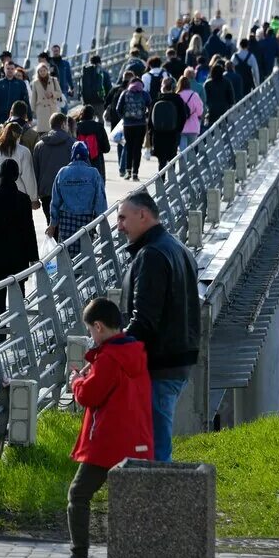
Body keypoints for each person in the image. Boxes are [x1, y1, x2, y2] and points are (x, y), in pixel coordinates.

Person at [47, 298, 153, 558]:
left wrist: (77, 382)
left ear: (99, 326)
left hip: (108, 442)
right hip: (136, 441)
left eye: (91, 331)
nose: (91, 337)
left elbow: (89, 396)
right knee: (129, 502)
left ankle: (79, 557)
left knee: (78, 494)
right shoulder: (135, 352)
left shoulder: (108, 358)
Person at [117, 192, 200, 463]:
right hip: (178, 358)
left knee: (153, 447)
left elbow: (144, 320)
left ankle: (160, 499)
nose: (119, 226)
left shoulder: (152, 254)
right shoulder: (178, 247)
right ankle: (157, 496)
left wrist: (110, 349)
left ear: (143, 215)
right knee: (155, 441)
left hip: (159, 364)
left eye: (123, 218)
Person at [0, 160, 39, 317]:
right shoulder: (23, 199)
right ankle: (19, 331)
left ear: (0, 174)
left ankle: (1, 336)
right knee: (18, 294)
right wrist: (33, 257)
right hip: (18, 256)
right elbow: (29, 230)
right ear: (16, 176)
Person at [49, 143, 107, 254]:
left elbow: (55, 201)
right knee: (85, 256)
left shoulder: (62, 172)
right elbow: (100, 200)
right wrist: (102, 220)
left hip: (66, 220)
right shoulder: (93, 173)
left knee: (66, 256)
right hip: (86, 220)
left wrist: (53, 224)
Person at [32, 113, 74, 223]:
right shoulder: (72, 144)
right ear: (63, 124)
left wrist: (35, 196)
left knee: (51, 226)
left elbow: (35, 172)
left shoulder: (39, 145)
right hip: (68, 191)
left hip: (46, 192)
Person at [0, 123, 38, 206]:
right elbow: (28, 176)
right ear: (19, 135)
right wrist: (33, 198)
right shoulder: (24, 151)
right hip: (19, 195)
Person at [147, 78, 187, 171]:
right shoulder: (178, 100)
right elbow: (183, 117)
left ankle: (161, 181)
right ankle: (171, 182)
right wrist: (178, 130)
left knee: (161, 161)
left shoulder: (156, 100)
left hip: (158, 135)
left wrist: (151, 134)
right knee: (172, 159)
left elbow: (150, 122)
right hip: (173, 135)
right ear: (173, 87)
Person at [115, 78, 150, 181]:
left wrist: (124, 118)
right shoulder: (144, 93)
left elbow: (118, 108)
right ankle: (135, 173)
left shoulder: (125, 93)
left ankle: (128, 172)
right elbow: (150, 105)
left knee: (129, 148)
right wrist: (145, 116)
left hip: (128, 125)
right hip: (141, 124)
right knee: (137, 149)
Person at [74, 104, 110, 182]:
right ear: (93, 115)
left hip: (80, 162)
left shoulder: (76, 127)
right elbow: (106, 148)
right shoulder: (99, 127)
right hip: (97, 162)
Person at [29, 63, 64, 132]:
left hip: (52, 108)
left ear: (47, 70)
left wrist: (52, 94)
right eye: (40, 71)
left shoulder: (54, 80)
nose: (42, 72)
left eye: (44, 70)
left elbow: (59, 93)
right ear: (38, 72)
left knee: (53, 129)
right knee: (42, 131)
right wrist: (32, 111)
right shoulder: (35, 83)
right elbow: (34, 97)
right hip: (41, 109)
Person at [0, 60, 27, 126]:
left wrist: (29, 116)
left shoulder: (21, 84)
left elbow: (25, 101)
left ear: (14, 70)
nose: (10, 70)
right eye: (8, 68)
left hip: (17, 117)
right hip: (1, 118)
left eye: (12, 69)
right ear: (4, 69)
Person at [177, 75, 204, 152]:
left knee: (182, 151)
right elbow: (200, 111)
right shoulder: (194, 95)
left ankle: (183, 164)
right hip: (193, 127)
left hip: (180, 126)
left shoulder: (177, 96)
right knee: (191, 151)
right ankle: (190, 164)